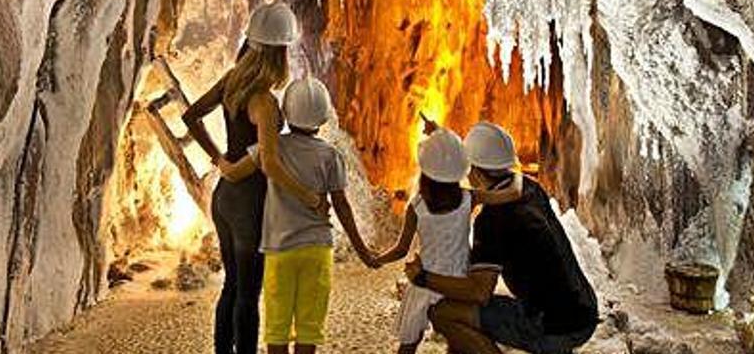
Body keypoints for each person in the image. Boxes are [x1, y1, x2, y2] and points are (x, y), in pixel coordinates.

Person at [182, 3, 323, 354]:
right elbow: (270, 164)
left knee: (231, 286)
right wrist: (307, 196)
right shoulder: (265, 102)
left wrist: (219, 158)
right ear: (279, 54)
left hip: (224, 199)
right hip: (249, 205)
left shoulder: (232, 81)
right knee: (248, 293)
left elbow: (190, 116)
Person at [405, 122, 599, 354]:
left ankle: (550, 344)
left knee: (444, 313)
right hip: (584, 312)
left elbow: (479, 291)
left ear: (474, 171)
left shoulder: (492, 220)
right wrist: (442, 135)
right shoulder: (530, 187)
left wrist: (424, 278)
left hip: (553, 327)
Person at [218, 76, 376, 354]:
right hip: (317, 250)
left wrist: (217, 158)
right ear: (323, 119)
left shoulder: (271, 147)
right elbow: (342, 206)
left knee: (277, 329)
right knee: (308, 329)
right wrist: (361, 249)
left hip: (279, 252)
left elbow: (233, 173)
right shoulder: (331, 156)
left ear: (286, 115)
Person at [374, 127, 521, 354]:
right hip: (460, 280)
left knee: (409, 343)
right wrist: (514, 171)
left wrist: (376, 259)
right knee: (457, 339)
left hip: (426, 281)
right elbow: (512, 194)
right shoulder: (468, 197)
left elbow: (401, 249)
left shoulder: (417, 206)